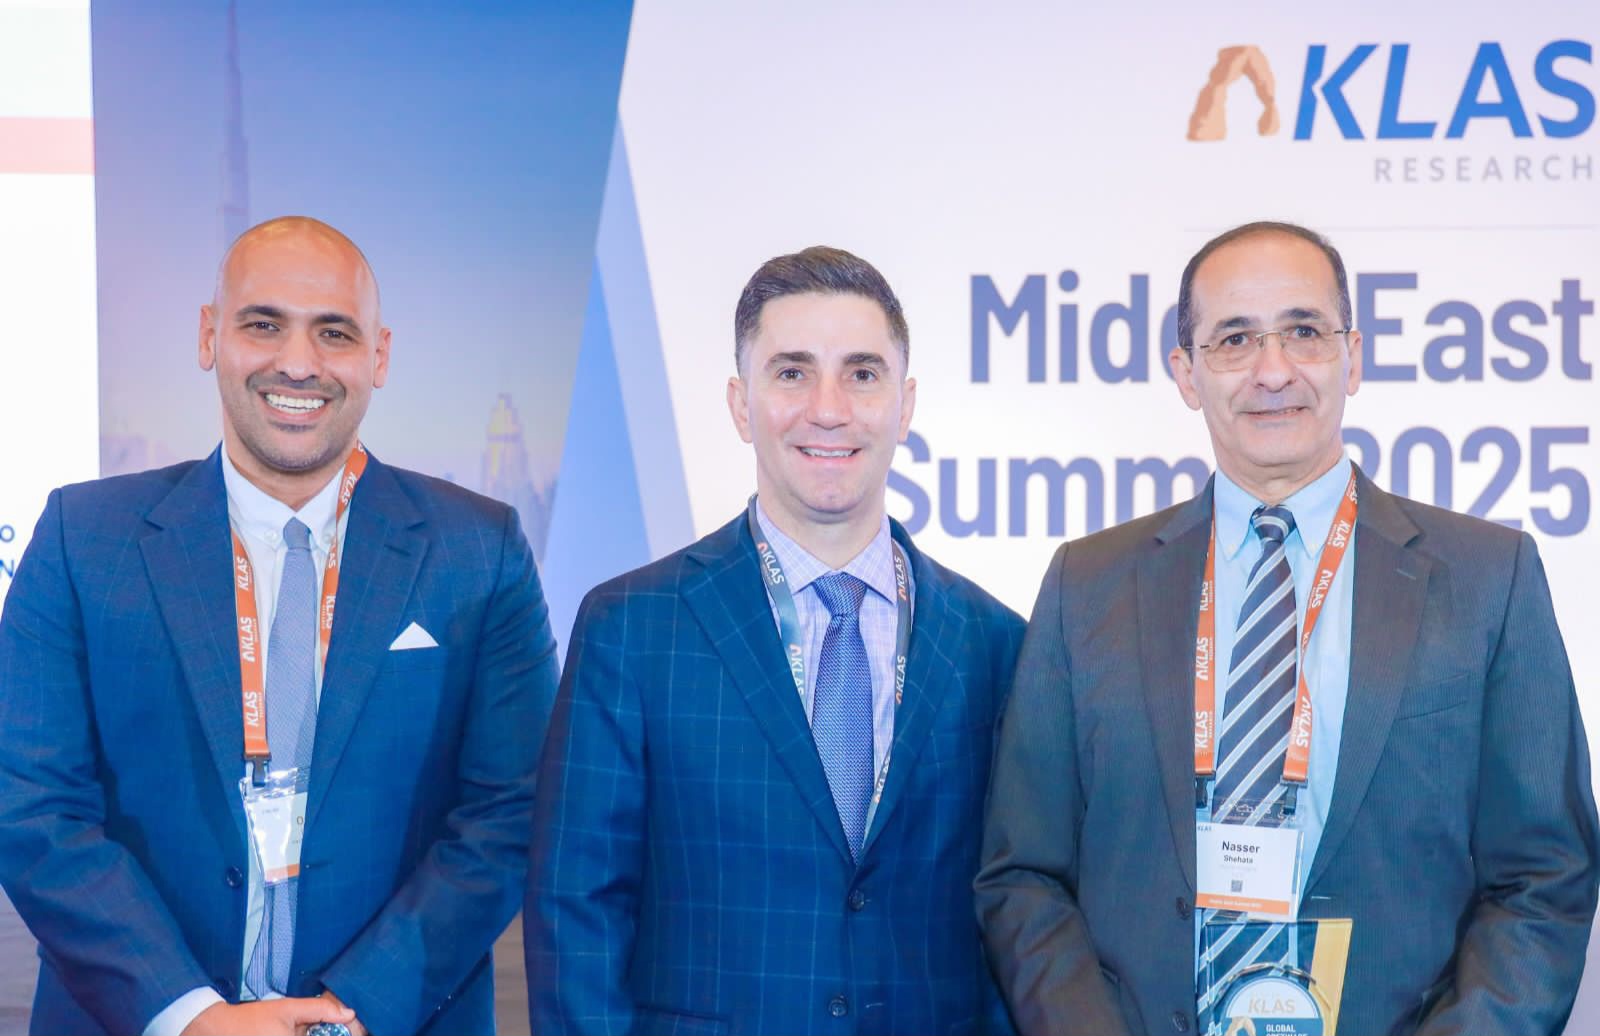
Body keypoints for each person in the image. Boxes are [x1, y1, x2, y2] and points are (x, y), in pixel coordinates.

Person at [975, 221, 1600, 1035]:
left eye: (1304, 331)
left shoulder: (1489, 579)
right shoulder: (1086, 586)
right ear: (1187, 373)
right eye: (1235, 339)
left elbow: (1544, 876)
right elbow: (1023, 874)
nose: (1274, 371)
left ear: (1354, 356)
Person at [0, 216, 558, 1036]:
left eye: (334, 332)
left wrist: (348, 1014)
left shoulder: (480, 550)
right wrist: (188, 1016)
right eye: (264, 324)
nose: (298, 363)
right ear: (209, 336)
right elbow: (32, 805)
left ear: (379, 356)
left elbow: (512, 809)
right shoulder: (83, 540)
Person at [527, 246, 1023, 1035]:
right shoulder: (632, 629)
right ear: (740, 404)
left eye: (862, 373)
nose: (828, 408)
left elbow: (1014, 917)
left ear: (905, 405)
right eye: (792, 372)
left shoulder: (997, 644)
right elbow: (576, 912)